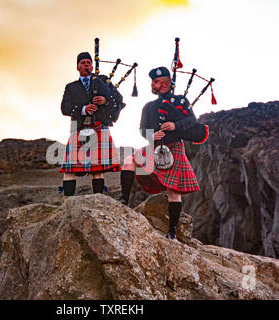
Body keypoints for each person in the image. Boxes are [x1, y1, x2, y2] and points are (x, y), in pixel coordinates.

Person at [119, 66, 200, 241]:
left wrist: (175, 126)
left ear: (166, 83)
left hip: (174, 147)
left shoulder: (180, 101)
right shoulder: (149, 106)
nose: (153, 85)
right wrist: (151, 135)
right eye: (152, 82)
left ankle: (172, 232)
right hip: (154, 147)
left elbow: (192, 120)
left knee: (174, 192)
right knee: (129, 160)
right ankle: (124, 201)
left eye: (156, 82)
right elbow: (142, 129)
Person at [60, 52, 121, 196]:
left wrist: (106, 100)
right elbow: (64, 108)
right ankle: (67, 202)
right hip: (79, 127)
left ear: (92, 65)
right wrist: (83, 109)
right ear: (77, 67)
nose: (86, 64)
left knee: (97, 169)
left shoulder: (102, 81)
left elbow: (118, 98)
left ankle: (98, 199)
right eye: (83, 62)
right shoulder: (71, 87)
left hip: (99, 125)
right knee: (70, 168)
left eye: (88, 62)